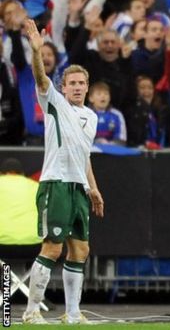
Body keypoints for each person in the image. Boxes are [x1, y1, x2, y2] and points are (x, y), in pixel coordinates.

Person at [21, 19, 104, 325]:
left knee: (80, 249)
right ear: (64, 86)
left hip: (79, 187)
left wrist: (93, 188)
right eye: (72, 83)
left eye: (82, 83)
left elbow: (84, 155)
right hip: (55, 183)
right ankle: (31, 312)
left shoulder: (91, 117)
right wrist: (36, 51)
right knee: (53, 247)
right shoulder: (54, 102)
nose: (78, 88)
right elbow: (40, 79)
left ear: (87, 86)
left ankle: (72, 313)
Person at [0, 158, 41, 246]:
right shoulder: (37, 186)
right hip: (35, 244)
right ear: (22, 174)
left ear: (1, 174)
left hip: (2, 243)